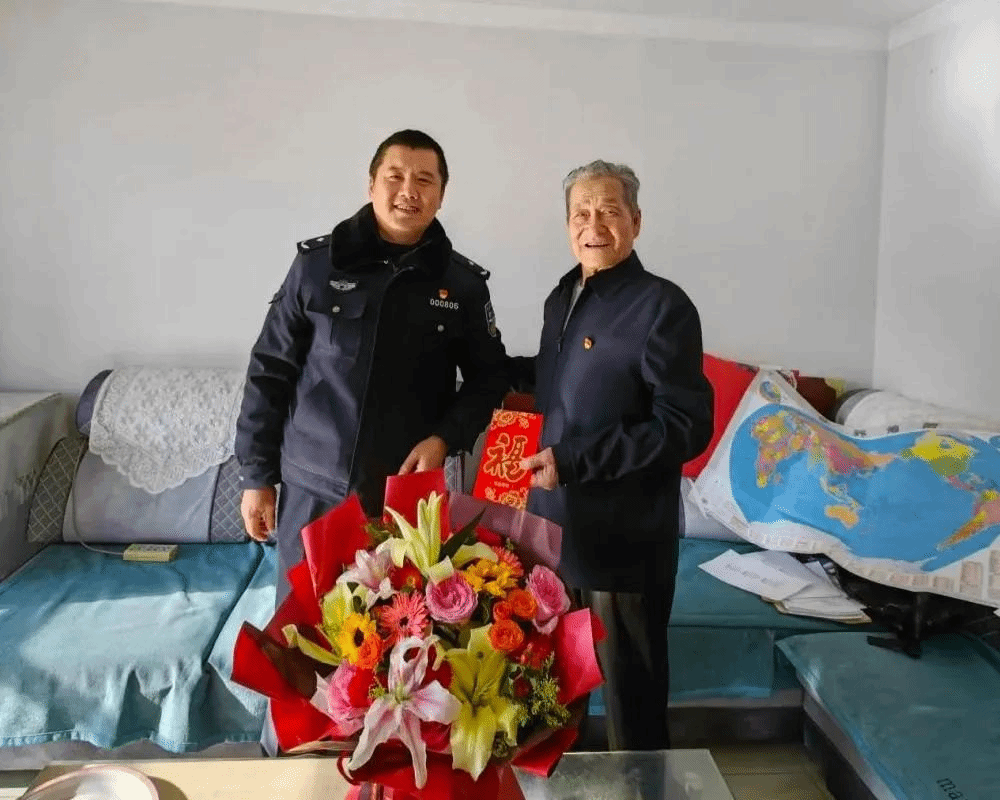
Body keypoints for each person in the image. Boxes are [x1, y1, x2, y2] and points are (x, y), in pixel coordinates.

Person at [235, 129, 511, 608]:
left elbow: (490, 378)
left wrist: (444, 438)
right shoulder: (316, 267)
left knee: (394, 632)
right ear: (370, 185)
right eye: (395, 176)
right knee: (299, 626)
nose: (409, 190)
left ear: (441, 195)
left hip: (403, 498)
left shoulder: (462, 285)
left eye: (424, 180)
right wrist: (256, 477)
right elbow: (270, 371)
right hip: (313, 488)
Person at [514, 160, 714, 751]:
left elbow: (684, 427)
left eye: (609, 210)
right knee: (550, 704)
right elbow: (556, 387)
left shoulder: (663, 306)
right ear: (566, 225)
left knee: (633, 716)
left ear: (636, 221)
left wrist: (576, 461)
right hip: (552, 538)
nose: (593, 224)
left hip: (624, 548)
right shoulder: (562, 297)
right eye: (581, 212)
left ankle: (643, 789)